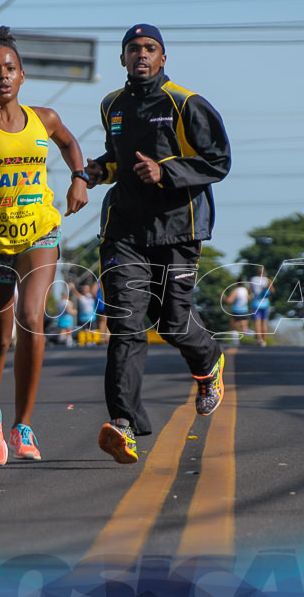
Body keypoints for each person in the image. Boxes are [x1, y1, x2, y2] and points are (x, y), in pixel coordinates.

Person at [85, 24, 230, 465]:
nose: (141, 55)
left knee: (172, 323)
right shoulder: (112, 104)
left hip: (178, 228)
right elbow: (118, 160)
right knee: (126, 326)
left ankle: (209, 366)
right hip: (124, 230)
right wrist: (94, 172)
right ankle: (124, 425)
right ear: (123, 58)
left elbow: (218, 161)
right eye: (133, 49)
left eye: (150, 49)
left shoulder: (186, 103)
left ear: (163, 58)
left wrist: (165, 172)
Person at [0, 22, 88, 465]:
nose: (2, 75)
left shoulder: (44, 119)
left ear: (22, 75)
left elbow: (69, 143)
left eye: (10, 68)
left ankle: (23, 425)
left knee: (32, 319)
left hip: (39, 232)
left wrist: (79, 179)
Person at [249, 266, 274, 347]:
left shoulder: (253, 279)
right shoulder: (267, 280)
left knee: (257, 321)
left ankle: (259, 339)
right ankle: (264, 339)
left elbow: (249, 291)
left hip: (256, 303)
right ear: (264, 273)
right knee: (264, 322)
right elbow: (272, 290)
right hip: (265, 303)